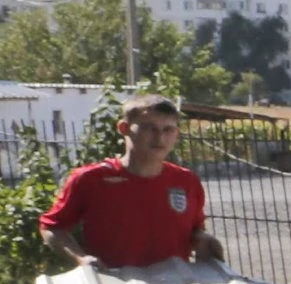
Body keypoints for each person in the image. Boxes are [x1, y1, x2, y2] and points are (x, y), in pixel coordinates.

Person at [40, 95, 225, 270]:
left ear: (176, 133)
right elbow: (52, 228)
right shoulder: (90, 179)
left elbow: (195, 230)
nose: (159, 138)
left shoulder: (187, 181)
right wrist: (81, 258)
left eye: (168, 130)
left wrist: (203, 239)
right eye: (148, 128)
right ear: (123, 128)